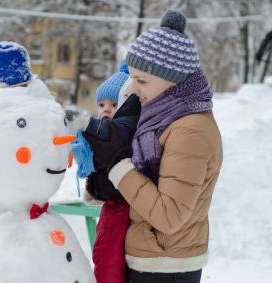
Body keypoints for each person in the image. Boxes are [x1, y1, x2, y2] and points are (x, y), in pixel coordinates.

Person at [84, 10, 223, 283]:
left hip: (166, 268)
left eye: (142, 80)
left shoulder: (189, 130)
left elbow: (169, 216)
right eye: (132, 78)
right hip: (155, 260)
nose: (133, 88)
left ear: (173, 80)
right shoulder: (164, 118)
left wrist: (118, 166)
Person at [71, 61, 140, 283]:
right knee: (107, 252)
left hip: (120, 204)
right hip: (113, 204)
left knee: (107, 254)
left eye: (113, 103)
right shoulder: (102, 132)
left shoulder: (123, 128)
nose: (106, 110)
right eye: (101, 105)